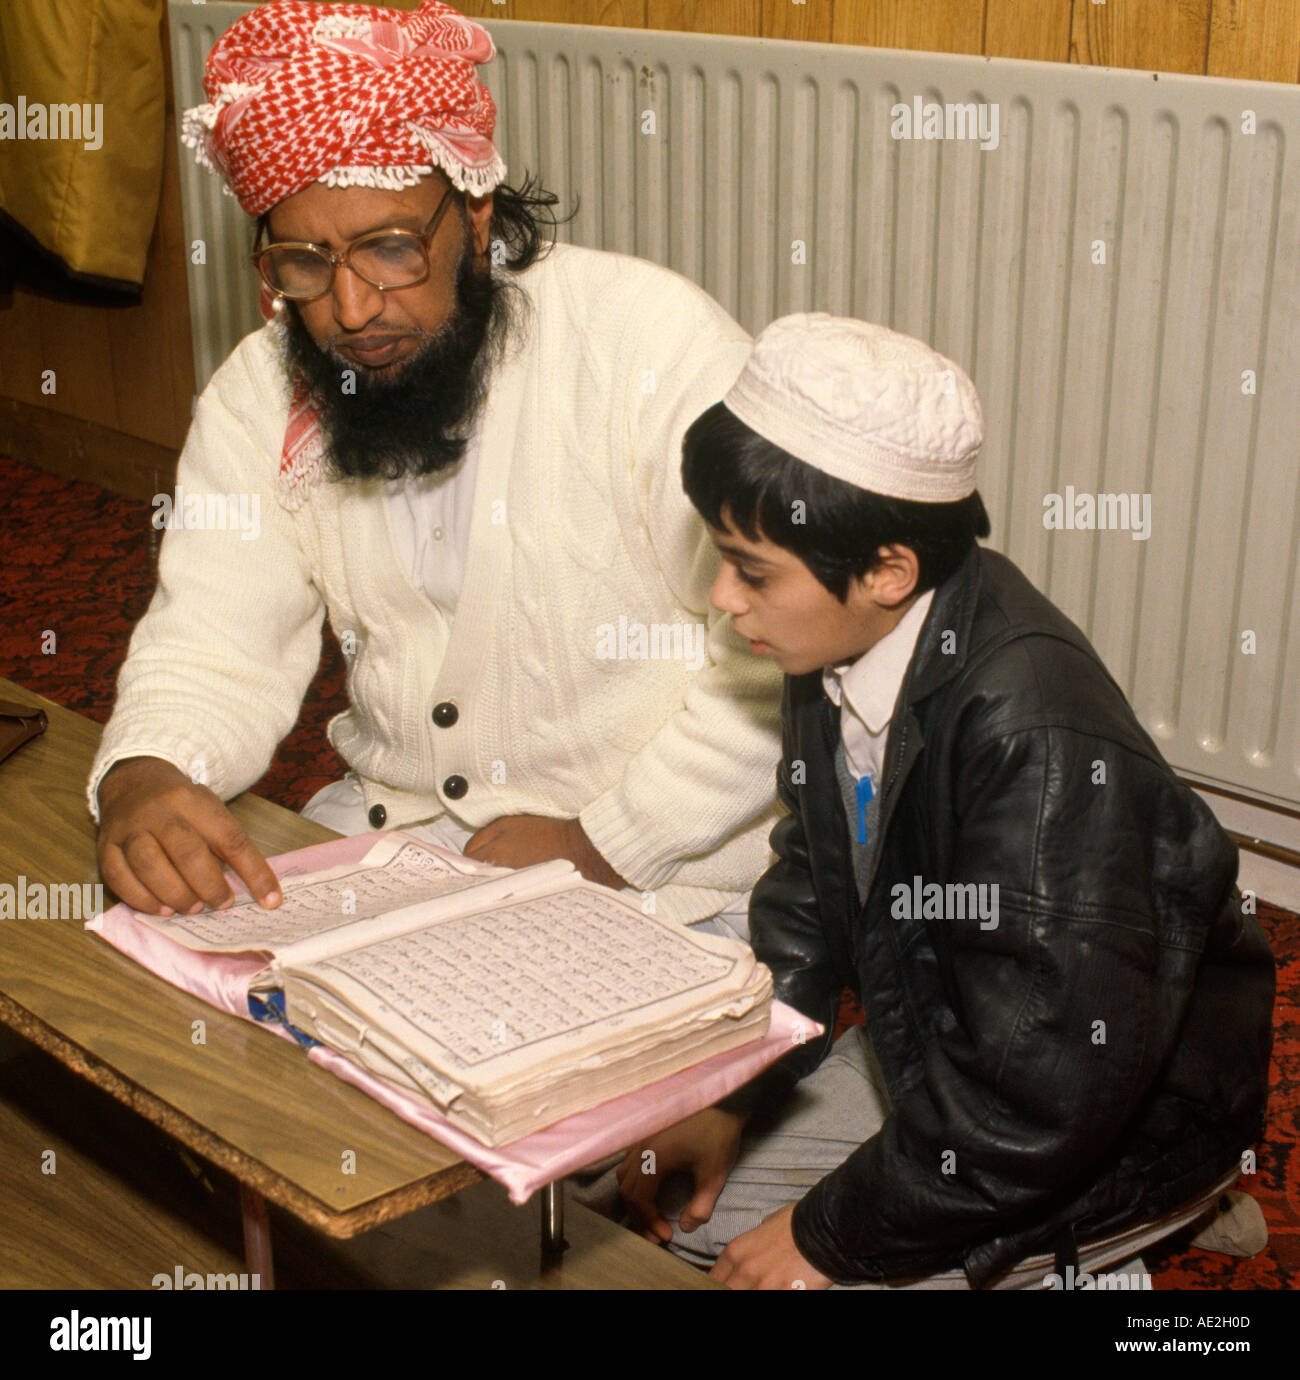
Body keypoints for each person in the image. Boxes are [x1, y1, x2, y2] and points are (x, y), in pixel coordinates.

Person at [88, 0, 782, 935]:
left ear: (476, 210)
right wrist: (145, 770)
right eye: (302, 262)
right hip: (398, 842)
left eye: (389, 248)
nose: (350, 307)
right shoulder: (262, 395)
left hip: (678, 871)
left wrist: (609, 838)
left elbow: (777, 659)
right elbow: (214, 641)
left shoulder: (648, 346)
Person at [617, 314, 1276, 1288]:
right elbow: (810, 883)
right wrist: (735, 1088)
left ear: (887, 569)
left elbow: (1039, 1095)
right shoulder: (837, 629)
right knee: (672, 1214)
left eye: (750, 570)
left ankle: (1136, 1238)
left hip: (1104, 1123)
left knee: (790, 1272)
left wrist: (829, 1236)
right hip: (945, 1044)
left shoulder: (1040, 748)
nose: (723, 596)